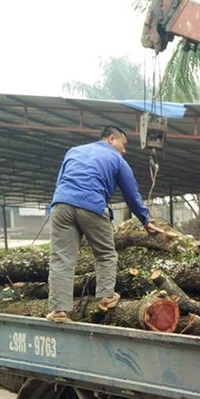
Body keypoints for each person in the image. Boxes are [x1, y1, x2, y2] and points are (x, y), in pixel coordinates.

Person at [46, 125, 163, 323]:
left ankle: (59, 310)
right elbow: (131, 194)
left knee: (61, 258)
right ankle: (107, 297)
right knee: (105, 254)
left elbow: (60, 182)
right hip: (92, 205)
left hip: (61, 205)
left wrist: (55, 207)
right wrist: (145, 220)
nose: (124, 150)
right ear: (111, 139)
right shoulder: (117, 159)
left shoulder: (73, 151)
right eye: (123, 145)